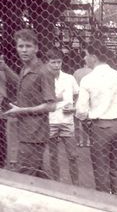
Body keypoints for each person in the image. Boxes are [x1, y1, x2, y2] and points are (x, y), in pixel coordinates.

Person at [75, 41, 117, 194]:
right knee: (116, 169)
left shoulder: (88, 79)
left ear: (94, 57)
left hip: (100, 128)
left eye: (86, 55)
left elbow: (81, 111)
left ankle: (103, 204)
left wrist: (87, 123)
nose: (84, 58)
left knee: (101, 171)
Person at [3, 29, 56, 178]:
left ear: (36, 48)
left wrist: (21, 111)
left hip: (34, 135)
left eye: (28, 46)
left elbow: (51, 105)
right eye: (20, 46)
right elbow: (24, 89)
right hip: (24, 132)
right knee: (38, 175)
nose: (24, 50)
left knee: (24, 176)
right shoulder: (25, 69)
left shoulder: (44, 72)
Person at [46, 47, 79, 185]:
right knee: (53, 154)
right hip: (50, 121)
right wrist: (55, 99)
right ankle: (56, 182)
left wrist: (73, 107)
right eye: (53, 62)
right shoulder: (43, 78)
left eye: (58, 62)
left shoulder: (69, 78)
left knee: (73, 155)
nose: (56, 65)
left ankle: (76, 184)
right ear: (47, 62)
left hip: (67, 121)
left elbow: (77, 95)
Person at [73, 57, 92, 147]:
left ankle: (80, 141)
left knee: (79, 120)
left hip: (79, 97)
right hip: (89, 97)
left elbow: (74, 87)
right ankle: (88, 141)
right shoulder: (92, 71)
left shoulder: (76, 72)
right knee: (89, 120)